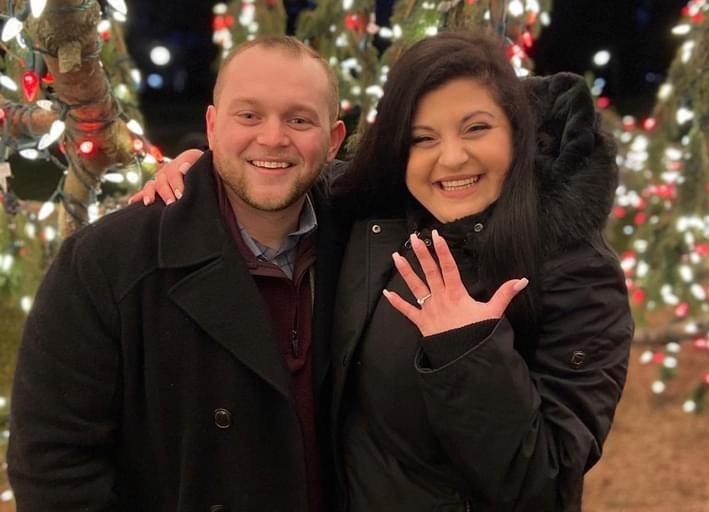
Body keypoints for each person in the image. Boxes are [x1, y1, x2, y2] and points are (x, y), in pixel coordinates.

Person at [133, 32, 633, 511]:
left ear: (518, 132)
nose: (451, 157)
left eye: (476, 128)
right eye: (423, 138)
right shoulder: (383, 215)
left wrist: (467, 352)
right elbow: (287, 173)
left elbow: (543, 484)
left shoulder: (575, 270)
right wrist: (208, 169)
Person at [8, 36, 346, 511]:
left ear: (333, 141)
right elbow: (54, 467)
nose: (272, 137)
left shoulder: (361, 239)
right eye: (248, 115)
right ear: (211, 127)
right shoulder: (106, 264)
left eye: (299, 119)